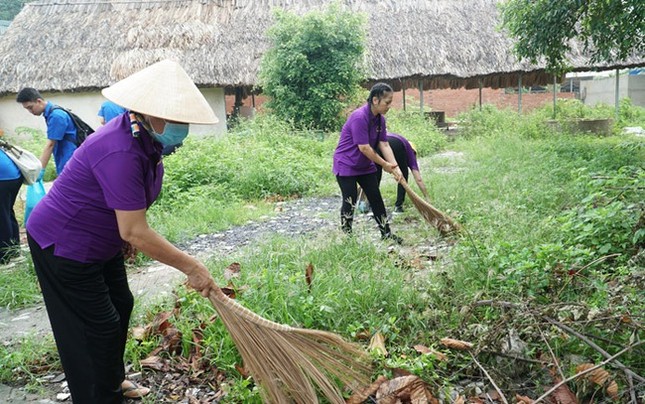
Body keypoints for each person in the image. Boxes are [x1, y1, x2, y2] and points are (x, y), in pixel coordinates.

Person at [25, 59, 219, 403]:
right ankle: (98, 396)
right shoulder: (120, 148)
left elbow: (126, 215)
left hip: (101, 240)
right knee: (93, 327)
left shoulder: (147, 141)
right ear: (152, 113)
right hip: (64, 243)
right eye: (177, 118)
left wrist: (123, 238)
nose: (183, 126)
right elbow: (135, 230)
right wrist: (192, 266)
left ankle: (112, 380)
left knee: (121, 304)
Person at [332, 82, 403, 243]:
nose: (389, 106)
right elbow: (364, 147)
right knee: (349, 200)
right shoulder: (359, 117)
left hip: (365, 165)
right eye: (387, 102)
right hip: (346, 164)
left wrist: (395, 167)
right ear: (375, 100)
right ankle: (347, 237)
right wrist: (385, 165)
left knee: (376, 198)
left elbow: (384, 144)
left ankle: (386, 234)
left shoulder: (380, 120)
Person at [16, 88, 78, 177]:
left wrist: (40, 169)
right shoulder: (52, 113)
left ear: (39, 101)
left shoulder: (56, 116)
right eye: (27, 109)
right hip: (66, 158)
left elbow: (50, 145)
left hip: (70, 161)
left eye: (30, 107)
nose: (30, 111)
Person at [376, 133, 430, 213]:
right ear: (413, 151)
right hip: (396, 145)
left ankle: (371, 205)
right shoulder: (410, 152)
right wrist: (427, 197)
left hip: (376, 143)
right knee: (403, 175)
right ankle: (398, 206)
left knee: (375, 176)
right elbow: (418, 179)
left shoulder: (393, 135)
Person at [0, 137, 22, 264]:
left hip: (3, 178)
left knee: (2, 216)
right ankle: (14, 251)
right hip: (13, 175)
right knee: (7, 211)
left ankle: (4, 258)